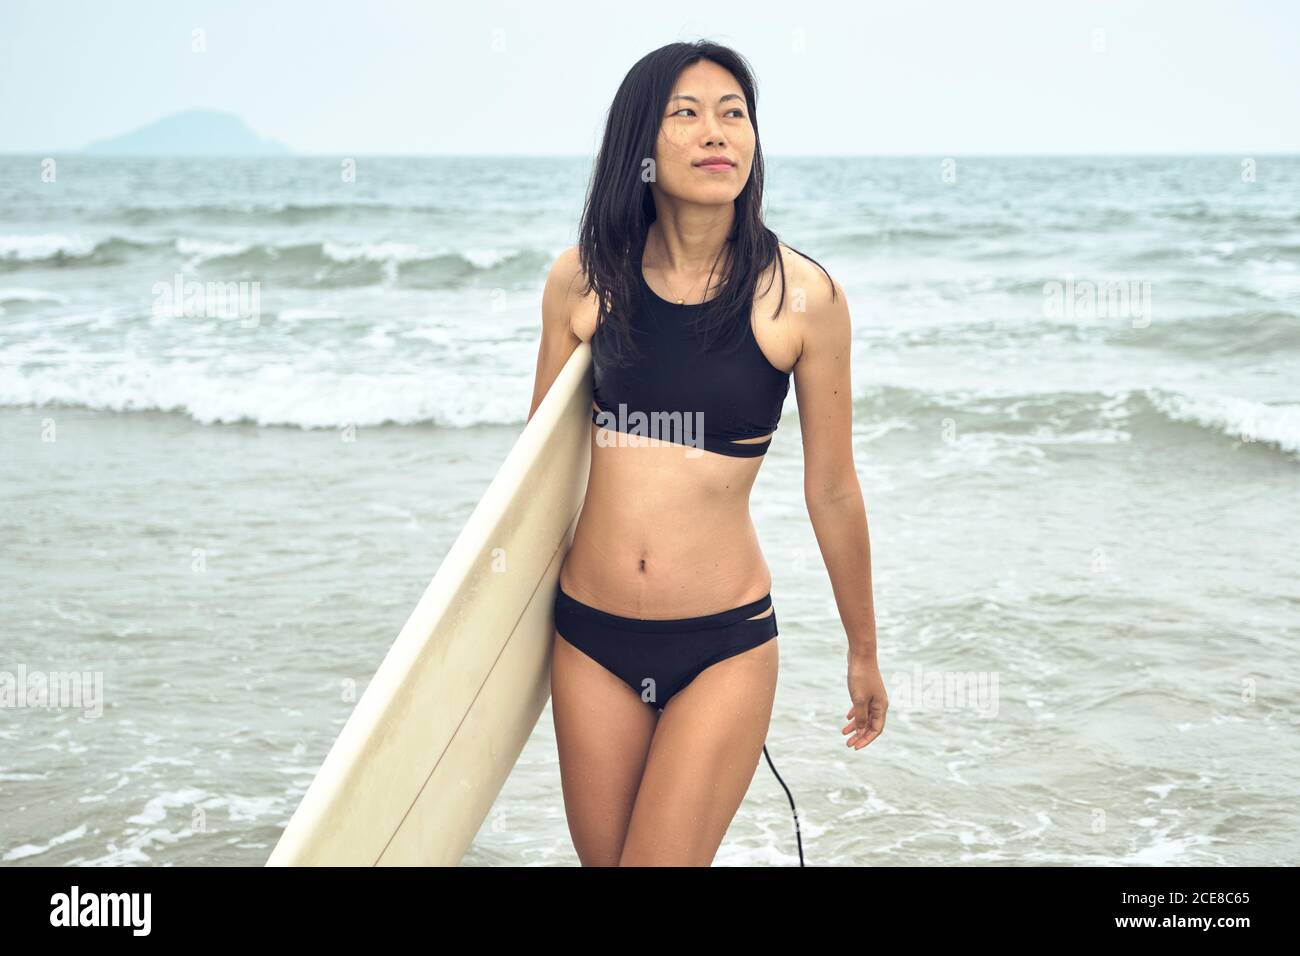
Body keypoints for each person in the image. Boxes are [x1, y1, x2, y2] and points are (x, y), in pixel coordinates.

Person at [528, 40, 886, 866]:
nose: (715, 132)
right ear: (641, 146)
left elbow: (832, 491)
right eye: (685, 114)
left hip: (721, 646)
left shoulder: (801, 297)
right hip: (588, 641)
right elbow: (538, 475)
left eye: (733, 114)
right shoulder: (583, 282)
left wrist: (861, 650)